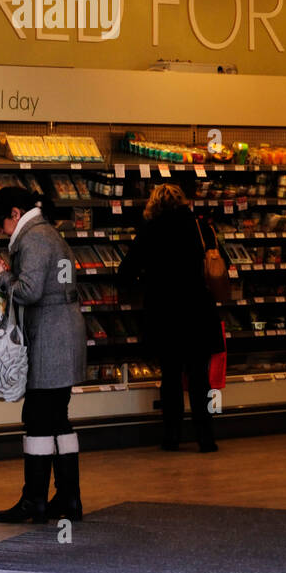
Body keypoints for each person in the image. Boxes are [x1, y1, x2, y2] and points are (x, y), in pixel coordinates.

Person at [0, 186, 87, 525]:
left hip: (50, 338)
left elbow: (28, 292)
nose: (4, 232)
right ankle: (68, 499)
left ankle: (35, 502)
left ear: (15, 213)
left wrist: (2, 275)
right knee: (57, 418)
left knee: (38, 418)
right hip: (61, 334)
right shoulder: (48, 234)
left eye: (3, 224)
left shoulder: (34, 239)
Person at [117, 183, 224, 452]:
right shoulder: (201, 228)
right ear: (182, 201)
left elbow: (126, 272)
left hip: (165, 313)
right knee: (200, 378)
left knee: (171, 377)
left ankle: (171, 436)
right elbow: (223, 264)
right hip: (198, 310)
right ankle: (206, 437)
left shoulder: (150, 230)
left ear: (154, 204)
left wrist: (146, 279)